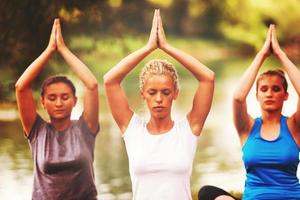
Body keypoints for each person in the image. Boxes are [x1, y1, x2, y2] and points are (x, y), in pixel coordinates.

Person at [104, 9, 214, 200]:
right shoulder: (132, 130)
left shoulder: (188, 130)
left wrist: (166, 47)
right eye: (152, 92)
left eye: (166, 92)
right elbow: (110, 81)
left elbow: (208, 78)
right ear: (143, 95)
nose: (158, 99)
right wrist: (148, 48)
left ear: (175, 94)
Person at [198, 25, 300, 200]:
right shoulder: (247, 127)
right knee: (208, 193)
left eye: (276, 89)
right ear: (257, 95)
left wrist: (280, 54)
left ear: (285, 95)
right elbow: (238, 97)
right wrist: (261, 55)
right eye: (264, 89)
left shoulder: (293, 126)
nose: (269, 93)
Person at [15, 18, 99, 199]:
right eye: (52, 98)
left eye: (65, 97)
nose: (59, 103)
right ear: (43, 102)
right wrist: (49, 50)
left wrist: (63, 49)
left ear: (75, 101)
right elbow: (21, 87)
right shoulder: (37, 131)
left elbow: (92, 85)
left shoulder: (86, 129)